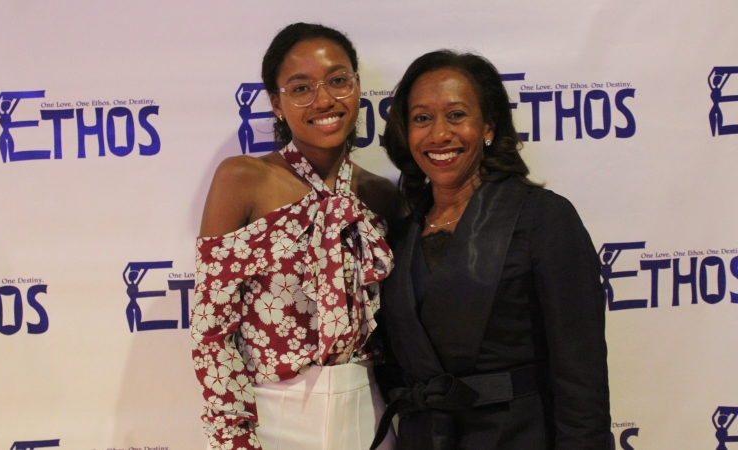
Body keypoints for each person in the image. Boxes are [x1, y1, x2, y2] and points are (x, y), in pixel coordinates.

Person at [371, 50, 610, 450]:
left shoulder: (543, 219)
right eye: (422, 118)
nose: (439, 135)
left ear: (488, 126)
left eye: (457, 115)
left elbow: (580, 376)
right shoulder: (395, 235)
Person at [191, 23, 399, 450]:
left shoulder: (381, 194)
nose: (324, 100)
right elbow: (212, 331)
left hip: (367, 410)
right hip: (272, 415)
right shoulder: (243, 179)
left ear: (358, 88)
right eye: (301, 88)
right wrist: (234, 438)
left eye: (338, 81)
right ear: (277, 104)